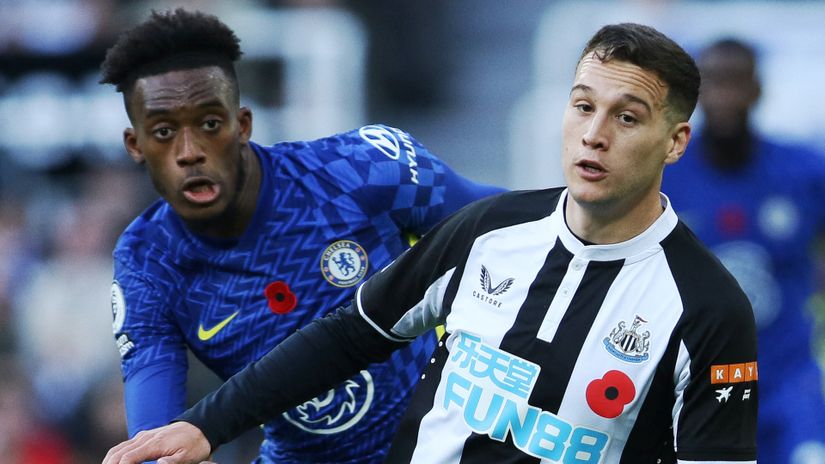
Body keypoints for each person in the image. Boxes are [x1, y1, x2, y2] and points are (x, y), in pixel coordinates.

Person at [104, 23, 759, 464]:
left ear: (676, 141)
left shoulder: (709, 309)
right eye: (582, 105)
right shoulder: (489, 234)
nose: (592, 134)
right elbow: (344, 336)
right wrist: (203, 426)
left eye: (625, 116)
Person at [97, 8, 504, 464]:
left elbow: (516, 233)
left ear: (243, 124)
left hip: (443, 443)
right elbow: (155, 442)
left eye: (210, 124)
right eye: (165, 132)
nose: (190, 152)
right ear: (135, 145)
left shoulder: (360, 168)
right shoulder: (148, 263)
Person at [663, 38, 825, 464]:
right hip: (702, 384)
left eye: (737, 82)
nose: (726, 96)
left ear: (757, 90)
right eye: (714, 83)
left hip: (789, 380)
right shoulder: (665, 179)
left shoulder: (804, 171)